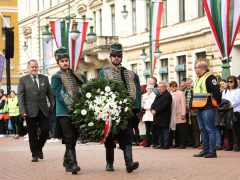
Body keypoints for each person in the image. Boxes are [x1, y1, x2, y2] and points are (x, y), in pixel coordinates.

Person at [99, 43, 141, 173]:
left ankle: (129, 163)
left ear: (121, 57)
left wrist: (136, 109)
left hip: (126, 111)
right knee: (110, 137)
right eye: (114, 56)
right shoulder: (103, 72)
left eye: (119, 56)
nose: (117, 58)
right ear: (110, 57)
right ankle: (109, 163)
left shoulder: (131, 75)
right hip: (109, 111)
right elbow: (99, 90)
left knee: (127, 136)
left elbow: (137, 92)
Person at [51, 47, 86, 174]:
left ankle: (67, 161)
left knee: (74, 137)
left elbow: (84, 89)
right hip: (63, 112)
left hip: (77, 112)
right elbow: (59, 93)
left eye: (66, 60)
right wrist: (73, 106)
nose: (65, 63)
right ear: (58, 63)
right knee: (69, 138)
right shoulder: (56, 77)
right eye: (62, 61)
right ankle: (73, 164)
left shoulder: (77, 75)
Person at [18, 59, 55, 162]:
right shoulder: (23, 80)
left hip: (43, 110)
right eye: (32, 67)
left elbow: (50, 94)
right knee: (32, 133)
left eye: (35, 66)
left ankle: (39, 148)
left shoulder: (44, 78)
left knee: (45, 131)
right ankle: (34, 154)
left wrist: (52, 107)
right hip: (30, 111)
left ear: (38, 67)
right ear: (28, 68)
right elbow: (20, 96)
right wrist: (22, 110)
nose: (34, 68)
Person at [192, 61, 221, 158]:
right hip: (199, 108)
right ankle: (205, 150)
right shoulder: (199, 79)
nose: (195, 70)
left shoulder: (210, 77)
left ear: (201, 68)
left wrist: (218, 103)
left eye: (196, 67)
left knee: (209, 129)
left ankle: (212, 151)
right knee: (203, 130)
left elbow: (217, 92)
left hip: (208, 107)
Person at [151, 82, 172, 149]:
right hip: (157, 116)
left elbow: (165, 105)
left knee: (165, 130)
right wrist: (152, 109)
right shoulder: (158, 95)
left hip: (164, 116)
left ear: (165, 87)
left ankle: (166, 144)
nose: (159, 88)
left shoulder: (167, 95)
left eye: (160, 87)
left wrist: (156, 110)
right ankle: (161, 143)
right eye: (158, 87)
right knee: (159, 130)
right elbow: (153, 103)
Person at [221, 76, 240, 151]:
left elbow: (238, 100)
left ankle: (238, 145)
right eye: (228, 81)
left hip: (236, 111)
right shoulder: (225, 91)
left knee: (236, 129)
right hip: (227, 112)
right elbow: (223, 100)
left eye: (231, 81)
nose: (229, 83)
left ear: (235, 82)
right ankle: (230, 145)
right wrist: (225, 106)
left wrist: (230, 105)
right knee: (227, 129)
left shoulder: (238, 90)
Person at [169, 81, 187, 149]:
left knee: (181, 130)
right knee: (175, 130)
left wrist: (183, 114)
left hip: (179, 114)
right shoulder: (169, 94)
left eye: (175, 86)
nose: (174, 88)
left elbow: (183, 104)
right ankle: (177, 143)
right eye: (172, 86)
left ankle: (182, 144)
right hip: (172, 115)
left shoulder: (181, 93)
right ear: (170, 87)